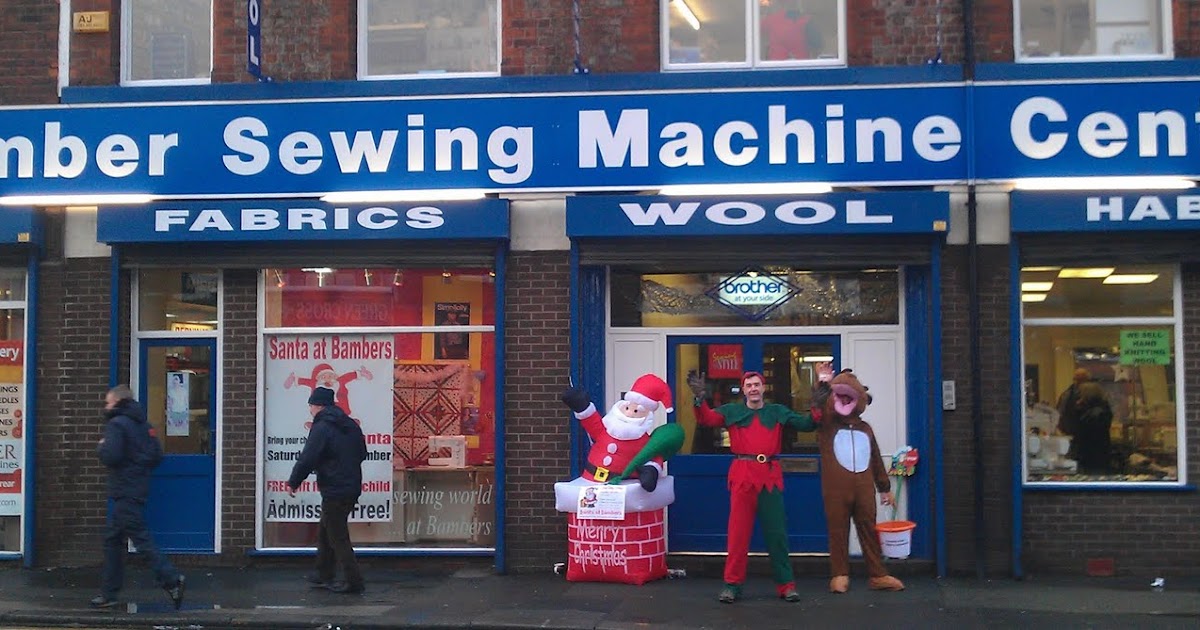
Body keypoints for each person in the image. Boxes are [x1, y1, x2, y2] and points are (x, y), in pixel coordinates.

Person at [687, 370, 830, 604]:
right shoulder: (732, 411)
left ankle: (786, 585)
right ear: (743, 390)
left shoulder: (777, 411)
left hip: (769, 478)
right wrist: (699, 398)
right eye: (749, 385)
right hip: (742, 477)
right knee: (737, 535)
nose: (753, 388)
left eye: (757, 384)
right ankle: (732, 585)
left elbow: (806, 424)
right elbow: (707, 419)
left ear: (763, 388)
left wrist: (816, 405)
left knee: (777, 535)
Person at [92, 385, 186, 609]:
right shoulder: (144, 425)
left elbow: (112, 456)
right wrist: (137, 464)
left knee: (140, 539)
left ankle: (172, 579)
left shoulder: (116, 424)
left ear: (117, 402)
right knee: (113, 539)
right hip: (137, 488)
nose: (106, 406)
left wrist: (101, 447)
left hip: (124, 490)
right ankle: (109, 593)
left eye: (108, 402)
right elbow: (156, 455)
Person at [287, 386, 369, 594]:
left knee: (337, 537)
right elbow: (362, 453)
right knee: (326, 530)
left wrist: (294, 481)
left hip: (334, 487)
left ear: (318, 405)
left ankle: (354, 581)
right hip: (351, 485)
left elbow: (308, 457)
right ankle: (323, 573)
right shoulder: (350, 424)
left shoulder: (322, 427)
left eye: (311, 406)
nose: (310, 410)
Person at [1072, 381, 1114, 473]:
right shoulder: (1102, 410)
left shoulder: (1093, 413)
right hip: (1100, 452)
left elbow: (1083, 431)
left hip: (1091, 453)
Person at [1055, 368, 1091, 441]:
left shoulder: (1092, 395)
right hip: (1069, 433)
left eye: (1081, 379)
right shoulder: (1066, 394)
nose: (1078, 382)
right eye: (1077, 379)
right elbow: (1060, 413)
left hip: (1087, 434)